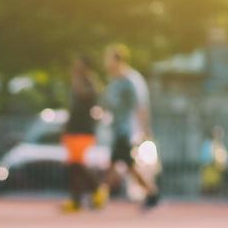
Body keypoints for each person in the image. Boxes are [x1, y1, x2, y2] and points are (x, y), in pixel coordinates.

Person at [94, 44, 161, 211]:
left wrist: (145, 129)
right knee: (125, 164)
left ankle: (101, 195)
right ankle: (151, 193)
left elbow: (140, 106)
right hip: (116, 128)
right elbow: (106, 104)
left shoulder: (131, 80)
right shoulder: (113, 81)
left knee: (118, 162)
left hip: (127, 129)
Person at [61, 56, 101, 214]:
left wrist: (77, 78)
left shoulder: (90, 84)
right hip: (73, 129)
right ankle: (76, 199)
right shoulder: (77, 83)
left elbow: (85, 95)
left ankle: (95, 189)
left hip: (83, 130)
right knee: (74, 166)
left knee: (77, 165)